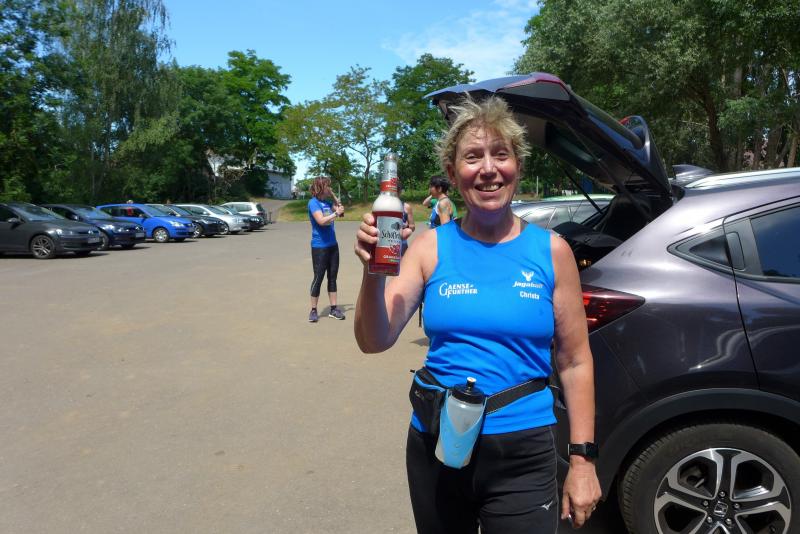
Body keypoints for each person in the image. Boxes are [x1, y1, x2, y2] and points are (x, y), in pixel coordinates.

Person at [354, 96, 601, 533]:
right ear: (453, 174)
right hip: (437, 443)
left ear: (517, 167)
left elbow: (575, 361)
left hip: (524, 450)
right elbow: (374, 340)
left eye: (500, 154)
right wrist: (373, 273)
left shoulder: (551, 251)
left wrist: (583, 461)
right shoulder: (429, 248)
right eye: (472, 157)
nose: (488, 168)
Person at [307, 176, 345, 322]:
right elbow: (321, 221)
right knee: (318, 278)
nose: (330, 188)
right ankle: (313, 310)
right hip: (319, 247)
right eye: (328, 186)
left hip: (332, 245)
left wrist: (335, 199)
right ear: (321, 187)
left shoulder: (328, 203)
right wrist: (336, 213)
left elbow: (341, 213)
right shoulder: (313, 203)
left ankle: (333, 309)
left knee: (332, 277)